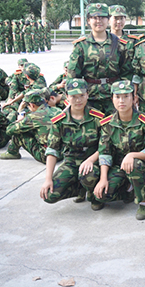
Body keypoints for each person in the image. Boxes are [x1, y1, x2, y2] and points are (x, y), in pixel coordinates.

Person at [81, 80, 145, 219]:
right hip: (119, 167)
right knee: (102, 195)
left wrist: (132, 155)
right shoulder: (108, 123)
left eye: (126, 96)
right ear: (112, 99)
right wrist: (103, 179)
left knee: (135, 164)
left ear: (134, 98)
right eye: (117, 97)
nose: (121, 101)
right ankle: (128, 191)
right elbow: (105, 152)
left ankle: (144, 202)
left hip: (143, 167)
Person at [40, 79, 105, 207]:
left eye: (81, 95)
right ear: (67, 96)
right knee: (49, 195)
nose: (78, 100)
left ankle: (94, 195)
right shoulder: (60, 121)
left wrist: (90, 160)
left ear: (87, 95)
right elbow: (52, 150)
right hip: (71, 162)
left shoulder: (98, 118)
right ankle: (79, 189)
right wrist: (48, 179)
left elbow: (105, 146)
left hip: (93, 162)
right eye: (74, 96)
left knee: (89, 175)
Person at [67, 3, 132, 114]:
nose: (99, 21)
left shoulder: (119, 44)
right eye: (95, 17)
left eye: (102, 17)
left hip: (114, 96)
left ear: (108, 20)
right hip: (90, 97)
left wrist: (123, 94)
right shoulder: (81, 45)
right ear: (88, 20)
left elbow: (127, 72)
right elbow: (73, 75)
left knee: (114, 124)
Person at [0, 90, 54, 163]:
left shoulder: (33, 117)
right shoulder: (57, 110)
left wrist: (19, 119)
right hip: (61, 153)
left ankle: (12, 152)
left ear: (32, 105)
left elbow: (9, 130)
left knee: (19, 132)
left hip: (47, 156)